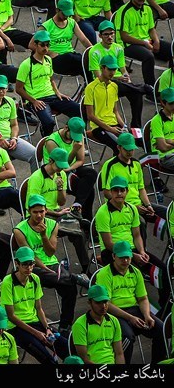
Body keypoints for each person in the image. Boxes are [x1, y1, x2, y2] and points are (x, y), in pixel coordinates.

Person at [94, 176, 170, 308]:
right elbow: (108, 243)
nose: (119, 193)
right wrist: (132, 256)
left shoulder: (132, 209)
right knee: (135, 275)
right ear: (111, 192)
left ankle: (164, 308)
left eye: (122, 190)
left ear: (126, 191)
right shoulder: (103, 213)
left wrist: (141, 251)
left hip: (132, 251)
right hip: (112, 253)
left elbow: (136, 235)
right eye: (116, 190)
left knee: (163, 271)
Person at [93, 240, 166, 364]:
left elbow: (142, 299)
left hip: (134, 310)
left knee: (161, 330)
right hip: (114, 314)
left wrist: (147, 315)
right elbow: (106, 305)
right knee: (127, 337)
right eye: (122, 258)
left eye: (128, 257)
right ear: (113, 256)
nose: (125, 261)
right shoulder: (104, 274)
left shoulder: (136, 272)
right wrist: (130, 318)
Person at [25, 150, 91, 274]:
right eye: (58, 165)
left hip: (56, 213)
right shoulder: (36, 178)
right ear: (50, 161)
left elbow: (61, 202)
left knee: (81, 230)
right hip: (39, 216)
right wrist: (57, 214)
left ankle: (86, 269)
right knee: (77, 233)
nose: (61, 168)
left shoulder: (61, 175)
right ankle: (86, 270)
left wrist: (60, 189)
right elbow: (34, 207)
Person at [1, 246, 68, 364]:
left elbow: (39, 308)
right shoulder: (8, 283)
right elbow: (11, 316)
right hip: (15, 327)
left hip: (35, 322)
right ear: (17, 264)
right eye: (25, 264)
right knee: (46, 357)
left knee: (65, 346)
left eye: (31, 263)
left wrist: (47, 329)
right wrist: (37, 333)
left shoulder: (35, 279)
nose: (29, 267)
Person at [101, 132, 168, 235]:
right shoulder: (110, 165)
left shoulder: (136, 164)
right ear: (119, 147)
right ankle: (142, 250)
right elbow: (107, 192)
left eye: (131, 149)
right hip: (120, 207)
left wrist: (148, 205)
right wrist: (131, 207)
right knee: (140, 223)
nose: (129, 152)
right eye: (126, 149)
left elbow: (141, 189)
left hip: (140, 205)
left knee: (169, 214)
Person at [15, 30, 81, 136]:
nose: (45, 48)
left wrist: (58, 93)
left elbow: (51, 79)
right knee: (49, 123)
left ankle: (67, 135)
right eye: (42, 45)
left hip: (52, 96)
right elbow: (18, 89)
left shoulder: (49, 60)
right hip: (37, 99)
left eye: (47, 45)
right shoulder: (26, 65)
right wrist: (34, 101)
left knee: (80, 111)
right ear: (35, 45)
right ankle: (46, 142)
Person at [114, 0, 172, 96]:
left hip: (146, 41)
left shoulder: (147, 9)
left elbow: (151, 29)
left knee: (171, 50)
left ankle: (170, 87)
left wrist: (156, 40)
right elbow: (124, 37)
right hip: (128, 45)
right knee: (148, 56)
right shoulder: (124, 11)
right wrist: (144, 44)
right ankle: (151, 93)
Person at [88, 20, 144, 128]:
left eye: (111, 33)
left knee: (137, 95)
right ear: (100, 35)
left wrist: (127, 78)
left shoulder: (118, 48)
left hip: (120, 83)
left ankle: (136, 127)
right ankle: (142, 88)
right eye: (106, 34)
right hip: (104, 84)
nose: (109, 37)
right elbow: (99, 76)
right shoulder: (94, 51)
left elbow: (123, 69)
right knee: (137, 90)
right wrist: (119, 78)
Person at [42, 117, 98, 222]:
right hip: (56, 171)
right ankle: (86, 222)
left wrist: (69, 169)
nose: (74, 139)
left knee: (91, 173)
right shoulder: (52, 141)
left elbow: (80, 160)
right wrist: (74, 150)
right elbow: (60, 165)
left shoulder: (78, 136)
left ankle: (77, 207)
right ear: (66, 128)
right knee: (89, 190)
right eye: (72, 135)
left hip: (71, 168)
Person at [71, 285, 125, 365]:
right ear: (89, 303)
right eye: (98, 303)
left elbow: (119, 354)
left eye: (105, 301)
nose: (103, 306)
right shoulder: (79, 325)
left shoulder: (114, 321)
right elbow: (84, 360)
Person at [41, 0, 91, 77]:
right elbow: (33, 45)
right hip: (55, 60)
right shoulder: (46, 26)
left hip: (70, 57)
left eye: (68, 14)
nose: (66, 17)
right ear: (57, 10)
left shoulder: (72, 22)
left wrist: (93, 50)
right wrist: (49, 52)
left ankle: (92, 86)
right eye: (64, 14)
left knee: (88, 63)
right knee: (74, 58)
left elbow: (83, 40)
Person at [83, 55, 123, 154]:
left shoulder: (114, 86)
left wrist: (124, 126)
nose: (112, 72)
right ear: (102, 68)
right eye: (110, 69)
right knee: (119, 147)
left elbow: (115, 111)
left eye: (114, 69)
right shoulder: (90, 88)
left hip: (114, 124)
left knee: (131, 142)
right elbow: (90, 116)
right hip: (98, 127)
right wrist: (110, 129)